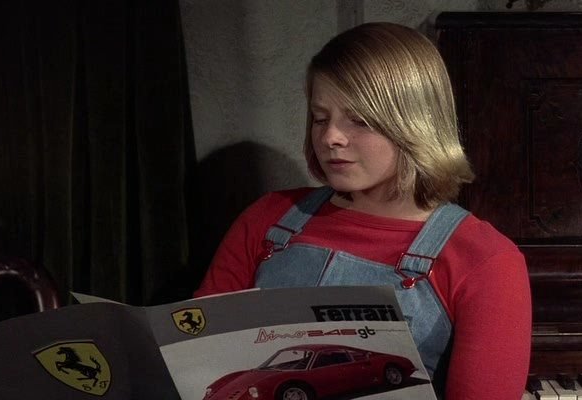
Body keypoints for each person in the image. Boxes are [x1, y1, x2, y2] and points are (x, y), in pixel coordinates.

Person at [194, 22, 531, 399]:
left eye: (360, 120)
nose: (330, 137)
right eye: (320, 118)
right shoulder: (268, 218)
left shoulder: (485, 259)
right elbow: (197, 357)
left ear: (414, 123)